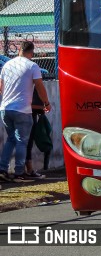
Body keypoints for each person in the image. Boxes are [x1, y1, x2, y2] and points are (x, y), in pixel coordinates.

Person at [0, 42, 51, 182]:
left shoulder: (7, 65)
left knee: (10, 139)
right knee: (22, 141)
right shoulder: (32, 66)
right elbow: (40, 86)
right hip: (22, 109)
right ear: (32, 53)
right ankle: (19, 173)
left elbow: (1, 87)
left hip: (5, 108)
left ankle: (2, 170)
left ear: (20, 50)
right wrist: (46, 103)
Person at [24, 87, 48, 178]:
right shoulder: (32, 85)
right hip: (28, 115)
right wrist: (45, 106)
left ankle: (23, 170)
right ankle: (28, 170)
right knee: (27, 143)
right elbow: (35, 106)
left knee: (18, 142)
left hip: (12, 112)